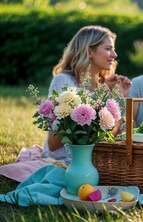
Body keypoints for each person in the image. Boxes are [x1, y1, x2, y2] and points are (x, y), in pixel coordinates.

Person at [42, 25, 132, 163]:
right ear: (90, 51)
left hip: (94, 162)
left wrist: (119, 98)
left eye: (113, 49)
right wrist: (100, 95)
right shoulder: (64, 81)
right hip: (62, 161)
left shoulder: (106, 85)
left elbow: (109, 136)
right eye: (108, 49)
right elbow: (54, 144)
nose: (114, 55)